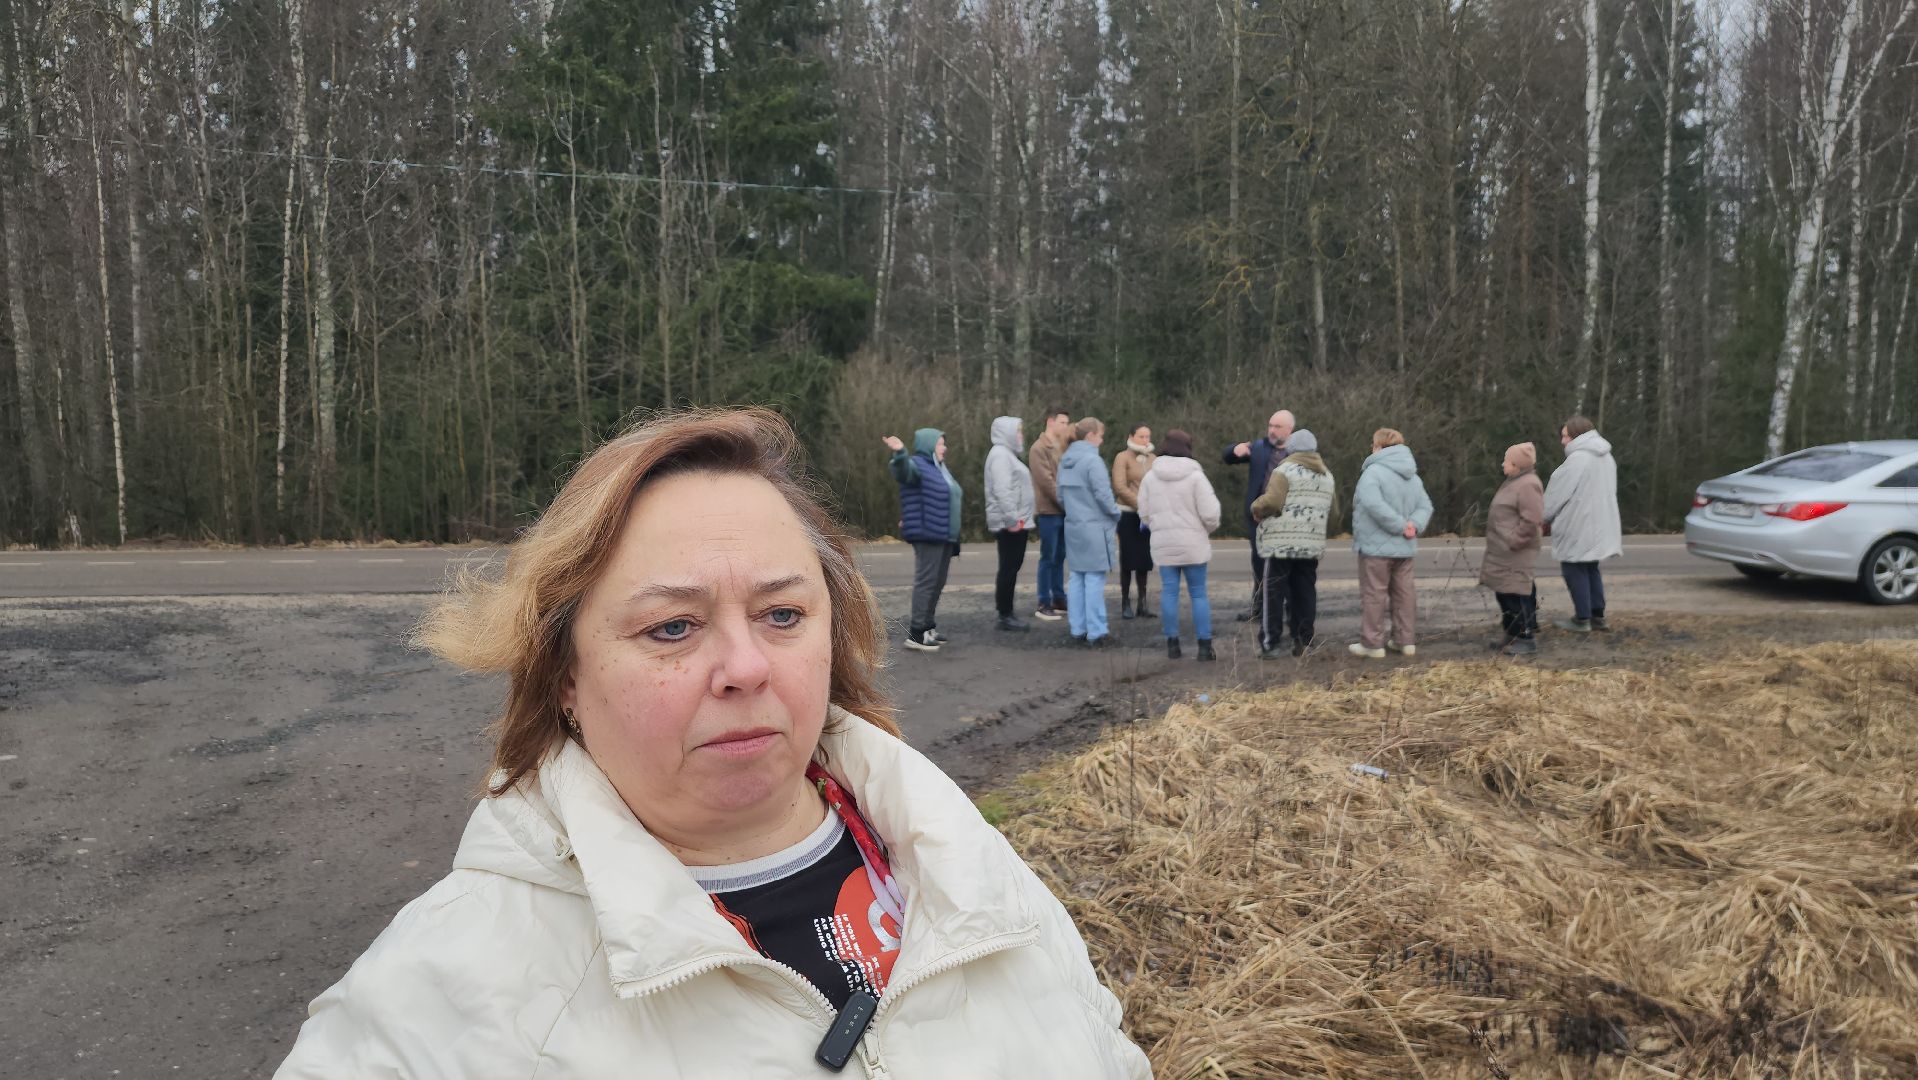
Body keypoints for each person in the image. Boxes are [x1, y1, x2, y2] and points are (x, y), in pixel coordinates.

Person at [275, 409, 1150, 1079]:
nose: (743, 666)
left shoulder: (967, 865)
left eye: (782, 614)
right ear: (564, 675)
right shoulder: (430, 1005)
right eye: (671, 627)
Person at [1349, 428, 1433, 659]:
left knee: (1374, 593)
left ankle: (1372, 644)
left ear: (1378, 446)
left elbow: (1373, 504)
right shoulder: (1413, 476)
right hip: (1405, 547)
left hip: (1375, 546)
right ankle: (1405, 641)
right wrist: (1412, 525)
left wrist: (1399, 525)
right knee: (1404, 593)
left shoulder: (1372, 473)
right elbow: (1426, 506)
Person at [1250, 429, 1335, 659]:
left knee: (1273, 592)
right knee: (1305, 592)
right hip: (1310, 544)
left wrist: (1256, 508)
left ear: (1291, 449)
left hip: (1281, 543)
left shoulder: (1284, 470)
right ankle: (1303, 640)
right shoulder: (1326, 474)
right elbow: (1334, 511)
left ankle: (1271, 643)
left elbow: (1272, 502)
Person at [1136, 429, 1220, 661]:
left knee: (1169, 592)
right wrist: (1206, 529)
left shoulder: (1150, 478)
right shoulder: (1196, 476)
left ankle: (1172, 644)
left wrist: (1156, 527)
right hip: (1193, 543)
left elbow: (1143, 512)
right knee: (1198, 594)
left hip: (1164, 543)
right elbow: (1211, 513)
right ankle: (1204, 646)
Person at [884, 427, 962, 653]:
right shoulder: (917, 464)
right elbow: (901, 471)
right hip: (929, 534)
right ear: (928, 445)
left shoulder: (938, 468)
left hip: (944, 535)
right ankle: (916, 633)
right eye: (940, 444)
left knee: (937, 582)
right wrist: (899, 452)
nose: (944, 448)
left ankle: (928, 626)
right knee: (927, 582)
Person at [1542, 415, 1622, 633]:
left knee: (1573, 568)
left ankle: (1582, 618)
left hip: (1578, 523)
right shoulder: (1607, 457)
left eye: (1565, 436)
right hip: (1599, 524)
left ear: (1577, 436)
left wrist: (1543, 517)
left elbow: (1557, 494)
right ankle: (1598, 616)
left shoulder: (1578, 459)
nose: (1562, 441)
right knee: (1590, 567)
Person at [1222, 409, 1295, 622]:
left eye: (1277, 427)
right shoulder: (1259, 448)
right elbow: (1227, 457)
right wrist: (1234, 450)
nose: (1271, 430)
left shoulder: (1297, 452)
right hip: (1258, 518)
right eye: (1270, 425)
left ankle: (1291, 611)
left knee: (1288, 565)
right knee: (1259, 563)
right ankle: (1258, 609)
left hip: (1287, 518)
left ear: (1290, 429)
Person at [1057, 417, 1122, 647]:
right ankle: (1097, 631)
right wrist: (1115, 513)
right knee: (1094, 578)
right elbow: (1104, 496)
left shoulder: (1065, 460)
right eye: (1100, 435)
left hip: (1074, 524)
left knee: (1077, 577)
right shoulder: (1093, 462)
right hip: (1095, 525)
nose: (1102, 440)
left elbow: (1060, 496)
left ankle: (1078, 628)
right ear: (1090, 435)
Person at [1480, 442, 1545, 656]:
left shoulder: (1528, 484)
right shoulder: (1514, 481)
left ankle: (1525, 638)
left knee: (1516, 594)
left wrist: (1513, 540)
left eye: (1506, 460)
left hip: (1516, 551)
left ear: (1517, 464)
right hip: (1503, 551)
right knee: (1504, 593)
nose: (1503, 464)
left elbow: (1531, 520)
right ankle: (1511, 634)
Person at [984, 416, 1035, 633]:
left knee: (1011, 567)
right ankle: (1005, 615)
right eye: (1018, 432)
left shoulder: (1006, 455)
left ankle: (1007, 612)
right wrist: (1013, 519)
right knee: (1008, 568)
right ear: (1008, 433)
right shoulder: (1000, 456)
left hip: (1016, 522)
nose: (1021, 436)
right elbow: (1002, 490)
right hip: (1011, 524)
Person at [1029, 408, 1073, 621]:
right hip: (1049, 510)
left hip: (1063, 511)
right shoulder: (1039, 448)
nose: (1066, 426)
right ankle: (1043, 601)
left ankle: (1058, 597)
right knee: (1048, 556)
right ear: (1051, 422)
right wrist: (1067, 502)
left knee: (1060, 555)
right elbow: (1047, 481)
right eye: (1063, 422)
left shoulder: (1063, 448)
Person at [1111, 424, 1158, 621]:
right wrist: (1140, 505)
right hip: (1128, 514)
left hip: (1148, 517)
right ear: (1131, 436)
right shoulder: (1122, 458)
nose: (1145, 440)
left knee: (1144, 560)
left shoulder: (1154, 459)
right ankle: (1125, 602)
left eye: (1147, 436)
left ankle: (1143, 603)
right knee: (1128, 560)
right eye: (1141, 436)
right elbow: (1120, 487)